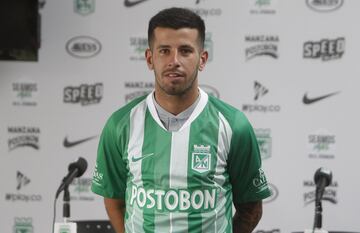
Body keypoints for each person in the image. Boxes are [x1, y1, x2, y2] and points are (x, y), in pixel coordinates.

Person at [91, 7, 271, 233]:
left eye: (185, 51)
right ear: (150, 58)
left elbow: (251, 208)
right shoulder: (120, 125)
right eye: (164, 50)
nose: (174, 60)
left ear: (202, 59)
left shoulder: (234, 125)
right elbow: (114, 201)